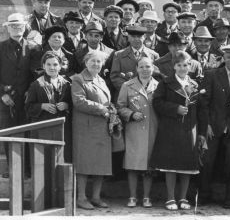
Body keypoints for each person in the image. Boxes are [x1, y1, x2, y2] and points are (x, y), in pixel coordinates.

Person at [150, 50, 203, 211]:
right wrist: (175, 109)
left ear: (190, 66)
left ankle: (183, 197)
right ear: (174, 66)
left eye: (185, 65)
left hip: (189, 130)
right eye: (179, 65)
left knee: (186, 165)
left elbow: (201, 110)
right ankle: (170, 198)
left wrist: (200, 132)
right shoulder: (165, 83)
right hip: (170, 129)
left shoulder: (195, 85)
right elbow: (157, 103)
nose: (182, 68)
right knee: (170, 165)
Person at [198, 44, 230, 208]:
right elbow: (203, 103)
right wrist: (206, 125)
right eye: (228, 57)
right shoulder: (212, 75)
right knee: (207, 160)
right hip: (214, 125)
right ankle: (203, 195)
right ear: (223, 58)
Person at [72, 50, 117, 210]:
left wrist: (111, 109)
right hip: (86, 128)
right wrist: (102, 109)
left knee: (101, 164)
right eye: (93, 61)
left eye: (99, 62)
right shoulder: (78, 79)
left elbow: (106, 101)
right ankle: (81, 197)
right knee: (84, 164)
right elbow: (79, 101)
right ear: (86, 62)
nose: (96, 64)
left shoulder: (101, 80)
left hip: (102, 127)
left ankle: (96, 197)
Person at [0, 13, 32, 176]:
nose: (16, 29)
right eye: (13, 26)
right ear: (8, 28)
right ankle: (12, 168)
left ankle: (26, 169)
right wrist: (2, 94)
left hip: (26, 100)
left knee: (27, 134)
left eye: (19, 26)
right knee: (8, 133)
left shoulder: (32, 47)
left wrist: (30, 93)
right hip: (6, 100)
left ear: (25, 27)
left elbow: (34, 74)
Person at [117, 57, 159, 208]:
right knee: (133, 165)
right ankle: (132, 197)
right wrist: (131, 114)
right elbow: (120, 106)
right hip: (134, 131)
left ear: (153, 68)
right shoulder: (127, 85)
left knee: (149, 166)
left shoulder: (158, 86)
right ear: (136, 69)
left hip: (153, 131)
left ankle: (147, 197)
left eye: (148, 66)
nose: (145, 69)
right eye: (141, 66)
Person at [25, 51, 73, 162]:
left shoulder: (67, 84)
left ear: (60, 66)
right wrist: (42, 106)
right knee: (44, 159)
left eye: (55, 64)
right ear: (43, 66)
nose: (52, 67)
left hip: (62, 128)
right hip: (43, 127)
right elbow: (28, 107)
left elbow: (73, 104)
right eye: (48, 64)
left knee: (62, 157)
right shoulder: (36, 84)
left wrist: (66, 105)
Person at [110, 25, 159, 94]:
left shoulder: (153, 55)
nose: (136, 39)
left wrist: (147, 89)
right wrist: (129, 89)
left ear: (144, 37)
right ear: (128, 38)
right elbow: (115, 77)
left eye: (139, 37)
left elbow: (157, 76)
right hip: (125, 95)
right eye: (133, 37)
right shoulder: (118, 55)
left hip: (148, 94)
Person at [74, 21, 115, 91]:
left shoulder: (111, 53)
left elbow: (113, 75)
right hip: (84, 88)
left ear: (101, 37)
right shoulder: (78, 53)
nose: (93, 39)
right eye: (90, 35)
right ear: (85, 36)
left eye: (96, 36)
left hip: (106, 89)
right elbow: (72, 71)